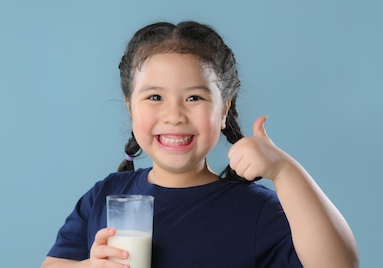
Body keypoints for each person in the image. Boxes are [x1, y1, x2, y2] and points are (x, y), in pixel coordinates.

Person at [41, 20, 358, 268]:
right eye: (155, 97)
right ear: (130, 107)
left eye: (194, 97)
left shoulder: (257, 211)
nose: (174, 115)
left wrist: (284, 170)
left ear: (224, 110)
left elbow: (338, 264)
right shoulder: (105, 196)